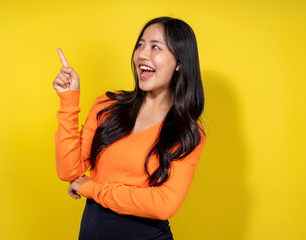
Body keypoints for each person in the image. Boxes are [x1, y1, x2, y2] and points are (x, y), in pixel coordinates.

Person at [53, 16, 206, 240]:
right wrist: (68, 99)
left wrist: (91, 189)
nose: (143, 54)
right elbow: (69, 171)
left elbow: (163, 204)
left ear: (179, 62)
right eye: (141, 45)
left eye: (156, 47)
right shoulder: (107, 106)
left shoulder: (187, 132)